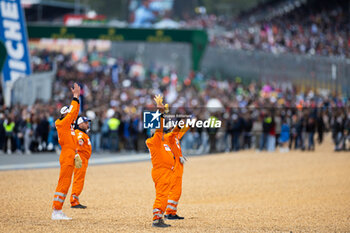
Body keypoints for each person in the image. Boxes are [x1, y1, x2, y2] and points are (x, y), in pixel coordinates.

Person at [51, 83, 83, 220]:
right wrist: (75, 96)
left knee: (66, 182)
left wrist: (77, 98)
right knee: (63, 182)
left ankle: (57, 210)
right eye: (67, 112)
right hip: (66, 154)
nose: (70, 114)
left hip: (69, 154)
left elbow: (74, 112)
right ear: (63, 114)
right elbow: (72, 113)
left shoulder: (68, 125)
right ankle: (56, 210)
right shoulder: (63, 124)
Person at [145, 95, 175, 228]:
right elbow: (159, 130)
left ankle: (159, 217)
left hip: (166, 172)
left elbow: (172, 134)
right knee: (162, 195)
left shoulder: (162, 142)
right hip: (161, 172)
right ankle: (157, 219)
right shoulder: (154, 141)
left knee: (164, 194)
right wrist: (161, 113)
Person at [165, 125, 189, 220]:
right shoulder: (168, 137)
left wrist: (188, 125)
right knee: (174, 191)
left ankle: (172, 212)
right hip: (174, 167)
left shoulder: (174, 137)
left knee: (177, 191)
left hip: (178, 167)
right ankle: (169, 213)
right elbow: (175, 133)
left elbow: (180, 133)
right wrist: (178, 126)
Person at [70, 116, 92, 209]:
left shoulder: (82, 133)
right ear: (80, 124)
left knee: (79, 179)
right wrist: (80, 141)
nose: (88, 124)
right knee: (79, 179)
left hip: (83, 159)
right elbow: (79, 141)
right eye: (86, 123)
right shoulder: (80, 134)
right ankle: (74, 200)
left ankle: (75, 199)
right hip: (81, 158)